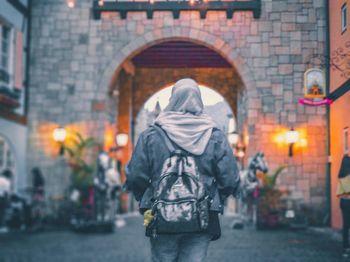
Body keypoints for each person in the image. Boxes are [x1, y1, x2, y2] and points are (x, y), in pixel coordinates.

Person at [126, 78, 240, 262]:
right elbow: (230, 179)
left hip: (160, 215)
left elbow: (135, 176)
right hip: (202, 217)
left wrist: (147, 199)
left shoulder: (151, 135)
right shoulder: (215, 135)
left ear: (173, 99)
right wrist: (215, 199)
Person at [337, 155, 350, 258]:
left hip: (344, 202)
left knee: (346, 226)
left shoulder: (341, 175)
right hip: (348, 201)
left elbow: (340, 193)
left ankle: (345, 248)